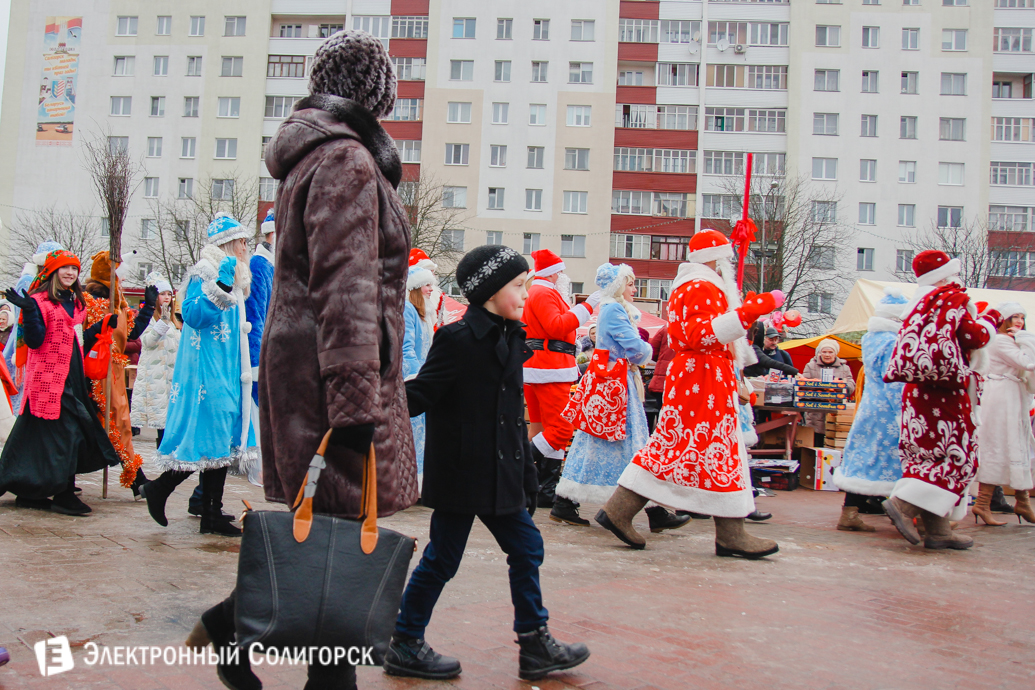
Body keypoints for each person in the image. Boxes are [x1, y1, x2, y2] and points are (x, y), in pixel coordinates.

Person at [183, 30, 418, 690]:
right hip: (331, 376)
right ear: (374, 93)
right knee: (338, 540)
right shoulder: (345, 160)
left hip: (307, 367)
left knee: (326, 535)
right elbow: (345, 284)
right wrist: (353, 402)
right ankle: (244, 635)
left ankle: (232, 628)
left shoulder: (312, 157)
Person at [385, 245, 589, 682]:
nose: (526, 294)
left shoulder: (514, 338)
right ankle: (404, 641)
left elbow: (515, 417)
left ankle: (534, 643)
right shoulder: (457, 339)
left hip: (503, 475)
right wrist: (373, 407)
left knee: (527, 548)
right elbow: (421, 393)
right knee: (442, 560)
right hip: (462, 473)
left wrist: (529, 476)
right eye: (519, 286)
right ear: (492, 290)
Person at [595, 230, 780, 557]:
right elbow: (699, 334)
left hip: (704, 376)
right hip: (702, 378)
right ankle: (621, 511)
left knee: (708, 450)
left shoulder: (701, 284)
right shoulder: (701, 285)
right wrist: (745, 315)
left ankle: (727, 531)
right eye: (728, 257)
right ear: (716, 257)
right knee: (685, 447)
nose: (732, 263)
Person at [139, 214, 259, 537]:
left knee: (220, 440)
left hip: (228, 370)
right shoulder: (205, 272)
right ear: (228, 245)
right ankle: (160, 490)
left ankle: (210, 512)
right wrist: (219, 285)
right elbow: (191, 314)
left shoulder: (236, 276)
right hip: (207, 372)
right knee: (206, 439)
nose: (247, 247)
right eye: (243, 242)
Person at [553, 263, 688, 533]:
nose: (635, 289)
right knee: (630, 443)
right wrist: (645, 351)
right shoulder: (614, 309)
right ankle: (653, 510)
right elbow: (633, 346)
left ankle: (566, 500)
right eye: (630, 284)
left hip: (612, 381)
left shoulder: (611, 307)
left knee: (602, 442)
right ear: (618, 286)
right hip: (614, 384)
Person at [883, 250, 995, 550]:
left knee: (926, 453)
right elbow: (974, 337)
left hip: (918, 390)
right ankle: (903, 505)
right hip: (948, 391)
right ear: (947, 274)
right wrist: (991, 321)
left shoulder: (919, 303)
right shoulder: (950, 299)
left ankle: (938, 529)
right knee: (956, 454)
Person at [0, 250, 120, 515]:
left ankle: (28, 491)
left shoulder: (76, 303)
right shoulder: (39, 301)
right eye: (65, 268)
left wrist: (100, 327)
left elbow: (77, 342)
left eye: (74, 269)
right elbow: (35, 341)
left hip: (73, 377)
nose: (70, 273)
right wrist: (30, 312)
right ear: (53, 271)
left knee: (37, 438)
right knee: (70, 434)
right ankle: (64, 494)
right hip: (49, 380)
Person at [523, 249, 601, 513]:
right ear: (553, 272)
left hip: (541, 366)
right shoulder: (544, 292)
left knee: (542, 428)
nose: (563, 276)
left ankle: (544, 489)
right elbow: (557, 326)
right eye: (561, 271)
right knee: (561, 430)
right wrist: (588, 305)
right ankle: (516, 468)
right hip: (550, 367)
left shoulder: (538, 291)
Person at [832, 288, 910, 532]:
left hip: (870, 405)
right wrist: (903, 412)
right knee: (892, 460)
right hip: (888, 409)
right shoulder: (893, 342)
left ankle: (850, 512)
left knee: (863, 460)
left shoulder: (871, 338)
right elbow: (895, 380)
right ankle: (903, 512)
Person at [82, 251, 156, 496]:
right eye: (120, 277)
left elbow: (131, 334)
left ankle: (137, 478)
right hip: (95, 373)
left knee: (118, 421)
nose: (123, 281)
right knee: (108, 421)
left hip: (113, 372)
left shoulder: (120, 302)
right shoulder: (91, 301)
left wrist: (148, 307)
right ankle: (137, 479)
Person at [974, 302, 1035, 525]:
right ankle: (982, 503)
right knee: (1000, 446)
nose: (1019, 321)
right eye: (1014, 317)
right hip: (1002, 398)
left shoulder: (1007, 341)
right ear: (1004, 320)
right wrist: (1026, 337)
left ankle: (1022, 502)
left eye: (1022, 317)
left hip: (1007, 395)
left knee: (1012, 446)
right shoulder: (1001, 341)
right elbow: (1028, 362)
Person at [4, 240, 65, 415]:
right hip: (24, 340)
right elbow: (22, 315)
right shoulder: (28, 281)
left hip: (41, 339)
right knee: (19, 388)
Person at [129, 272, 180, 448]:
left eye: (169, 294)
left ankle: (167, 453)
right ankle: (163, 453)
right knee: (161, 419)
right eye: (162, 294)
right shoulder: (149, 318)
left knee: (170, 420)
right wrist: (162, 324)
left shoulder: (173, 321)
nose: (166, 298)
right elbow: (147, 341)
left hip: (171, 376)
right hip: (155, 376)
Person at [404, 264, 436, 490]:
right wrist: (416, 376)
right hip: (412, 381)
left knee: (424, 433)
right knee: (414, 432)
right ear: (415, 287)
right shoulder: (407, 309)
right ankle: (409, 480)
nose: (431, 289)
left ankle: (421, 481)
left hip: (424, 380)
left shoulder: (424, 314)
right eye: (427, 284)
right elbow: (406, 348)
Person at [800, 339, 856, 447]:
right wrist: (818, 387)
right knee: (815, 443)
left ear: (836, 353)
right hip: (815, 410)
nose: (827, 355)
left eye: (830, 352)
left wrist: (840, 386)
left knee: (834, 442)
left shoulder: (844, 368)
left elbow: (851, 384)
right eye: (824, 352)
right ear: (819, 353)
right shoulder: (811, 366)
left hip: (835, 411)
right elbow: (803, 384)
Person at [646, 326, 674, 432]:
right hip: (685, 381)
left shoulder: (667, 328)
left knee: (662, 416)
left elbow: (652, 351)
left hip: (663, 380)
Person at [410, 248, 445, 332]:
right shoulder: (408, 306)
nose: (433, 276)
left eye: (433, 272)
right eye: (429, 272)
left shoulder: (436, 296)